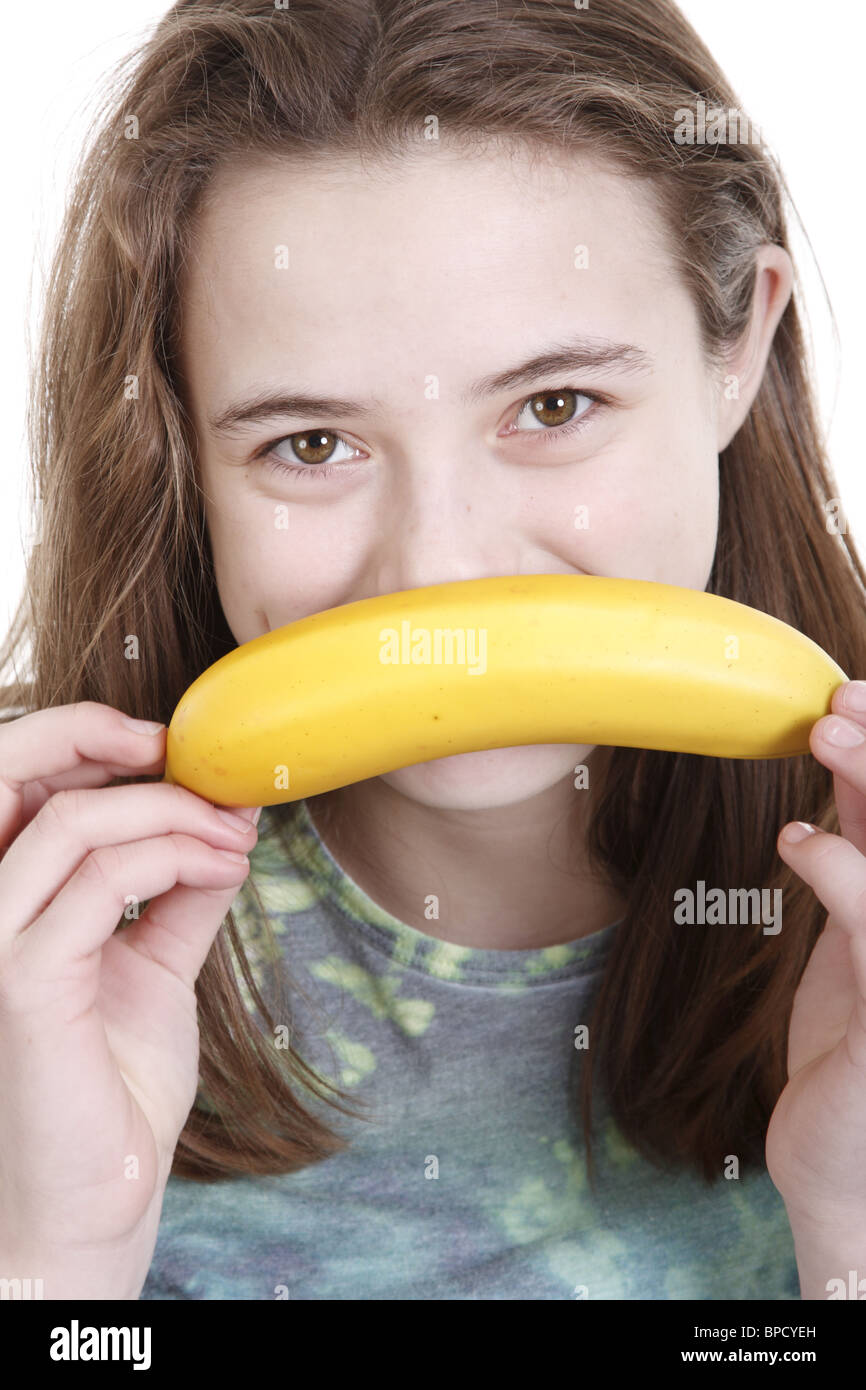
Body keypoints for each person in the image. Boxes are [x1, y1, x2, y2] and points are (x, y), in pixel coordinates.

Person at [1, 0, 865, 1301]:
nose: (439, 569)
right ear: (180, 439)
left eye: (553, 405)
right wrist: (54, 1261)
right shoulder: (28, 925)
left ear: (736, 345)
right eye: (309, 442)